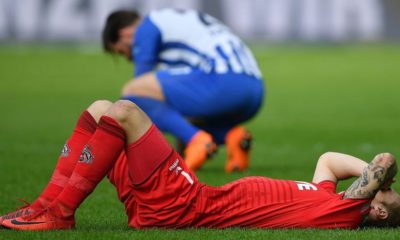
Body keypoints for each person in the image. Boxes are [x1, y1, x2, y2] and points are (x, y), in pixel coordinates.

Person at [1, 100, 399, 230]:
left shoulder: (346, 211)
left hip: (187, 202)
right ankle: (45, 206)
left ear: (378, 209)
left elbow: (384, 161)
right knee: (100, 109)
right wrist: (369, 183)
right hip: (177, 199)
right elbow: (328, 159)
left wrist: (379, 183)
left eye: (391, 193)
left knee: (123, 111)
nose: (384, 184)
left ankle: (61, 214)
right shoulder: (328, 195)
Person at [102, 8, 265, 172]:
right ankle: (231, 136)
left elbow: (140, 88)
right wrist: (181, 157)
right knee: (171, 109)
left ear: (125, 35)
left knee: (133, 93)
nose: (129, 59)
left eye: (122, 51)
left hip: (223, 81)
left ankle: (197, 141)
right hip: (255, 90)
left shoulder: (146, 27)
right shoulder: (174, 23)